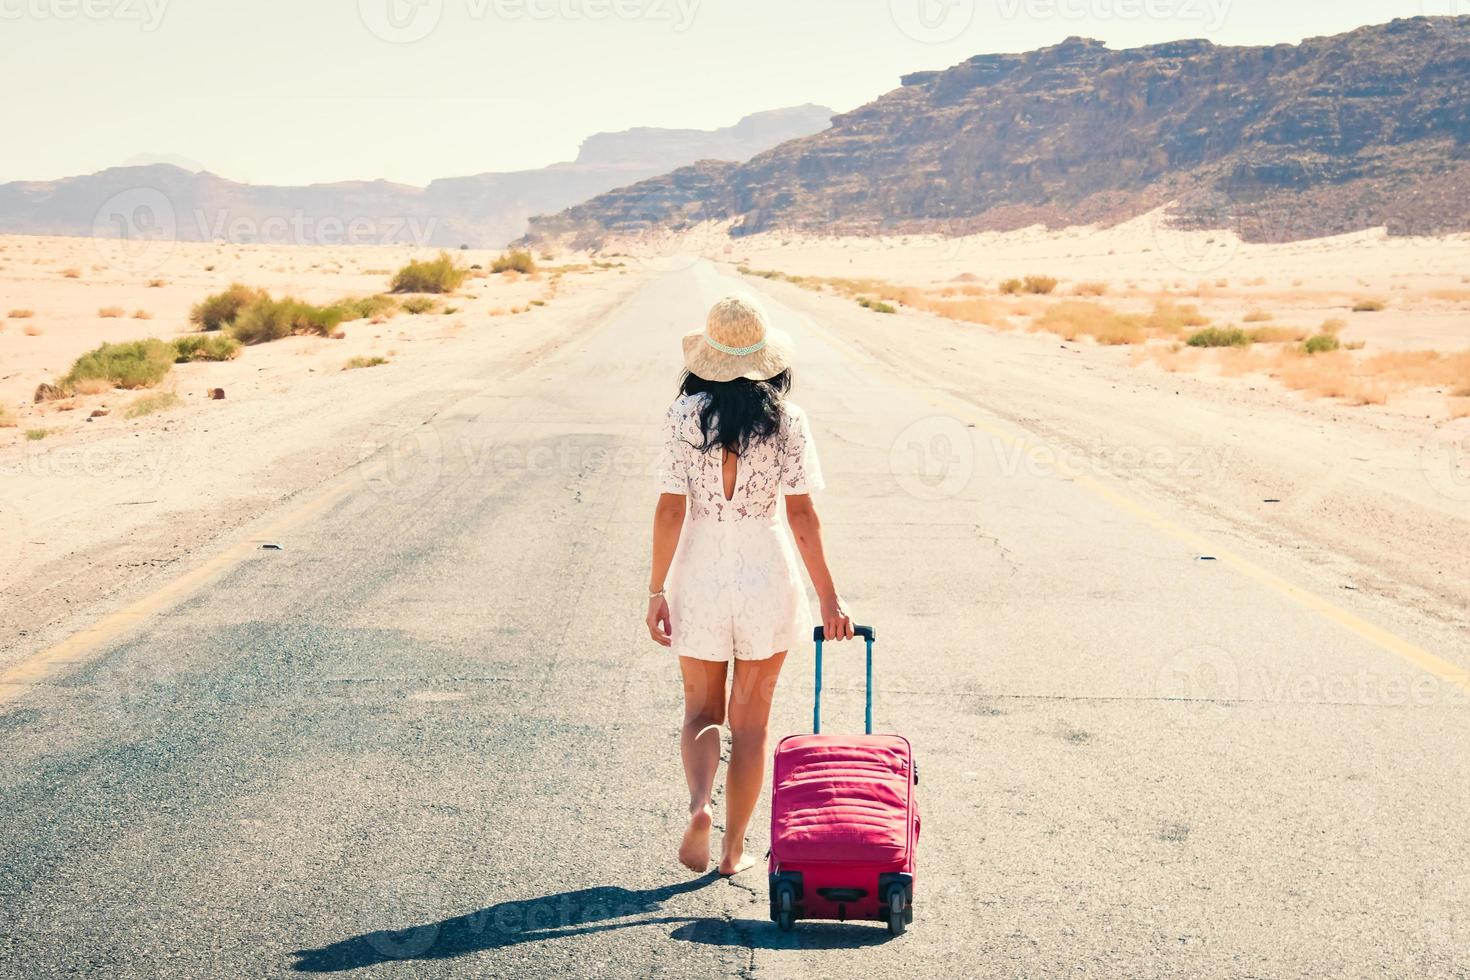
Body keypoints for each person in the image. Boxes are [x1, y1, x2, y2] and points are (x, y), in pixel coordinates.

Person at [645, 293, 854, 876]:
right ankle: (734, 850)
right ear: (767, 358)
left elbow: (668, 509)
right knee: (753, 724)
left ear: (706, 357)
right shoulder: (788, 420)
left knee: (700, 712)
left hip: (701, 569)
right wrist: (830, 600)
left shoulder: (683, 415)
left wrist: (656, 590)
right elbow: (802, 515)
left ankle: (697, 804)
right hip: (766, 568)